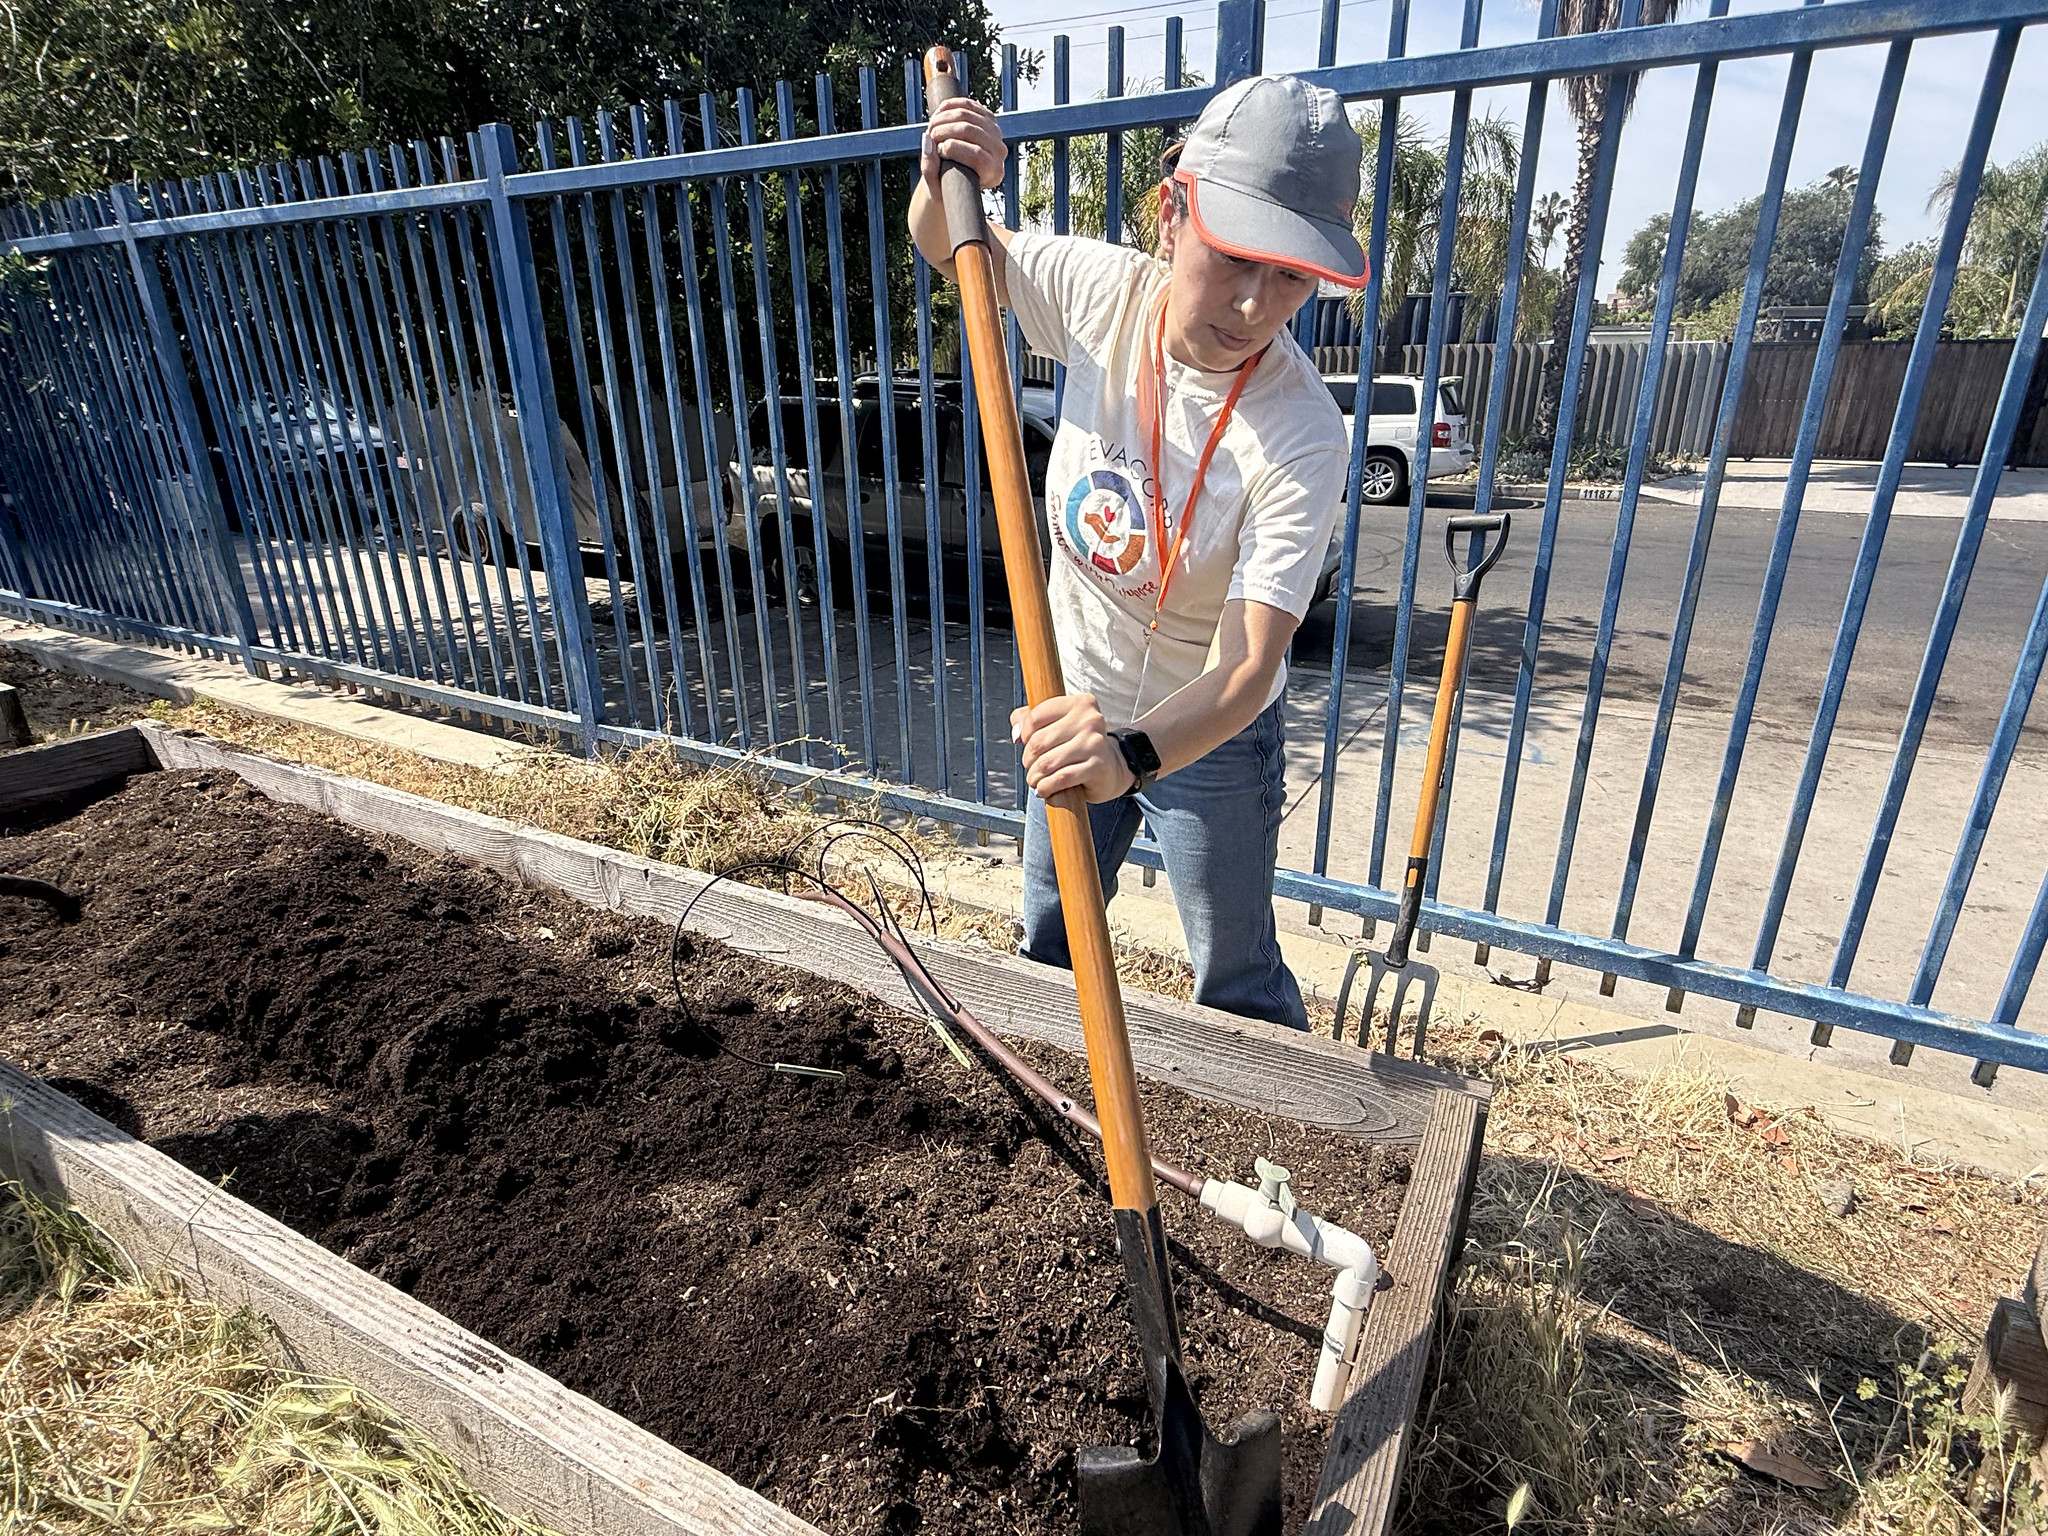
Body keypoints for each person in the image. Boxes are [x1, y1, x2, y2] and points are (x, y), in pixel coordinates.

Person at [907, 73, 1366, 1031]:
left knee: (1234, 975)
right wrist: (944, 176)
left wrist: (1135, 756)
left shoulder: (1303, 432)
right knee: (1049, 935)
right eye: (1235, 256)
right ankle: (1056, 1099)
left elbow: (1247, 664)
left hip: (1208, 735)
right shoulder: (1101, 296)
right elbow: (951, 247)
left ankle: (1275, 1117)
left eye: (1290, 274)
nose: (1252, 305)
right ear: (1172, 214)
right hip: (1073, 701)